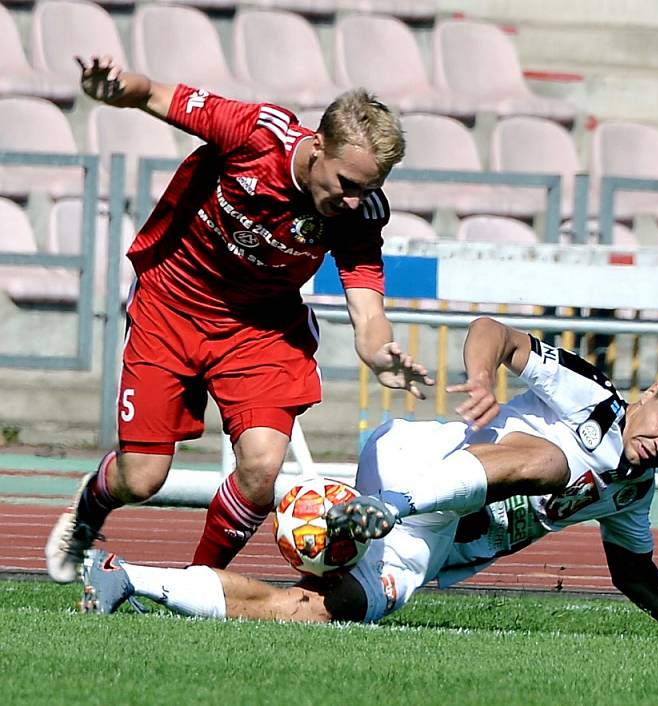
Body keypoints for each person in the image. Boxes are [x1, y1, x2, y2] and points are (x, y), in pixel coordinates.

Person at [79, 317, 658, 643]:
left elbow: (636, 574)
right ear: (653, 390)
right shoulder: (593, 398)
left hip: (427, 542)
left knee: (312, 614)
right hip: (414, 471)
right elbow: (495, 330)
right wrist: (482, 377)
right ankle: (376, 511)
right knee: (552, 464)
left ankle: (124, 579)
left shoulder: (633, 491)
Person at [45, 55, 433, 584]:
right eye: (346, 183)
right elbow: (157, 94)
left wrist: (380, 352)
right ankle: (89, 509)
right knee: (142, 478)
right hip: (171, 305)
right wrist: (113, 88)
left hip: (260, 329)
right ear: (317, 145)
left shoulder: (360, 213)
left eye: (368, 188)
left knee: (260, 468)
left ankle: (198, 586)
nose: (354, 199)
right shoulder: (255, 133)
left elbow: (368, 307)